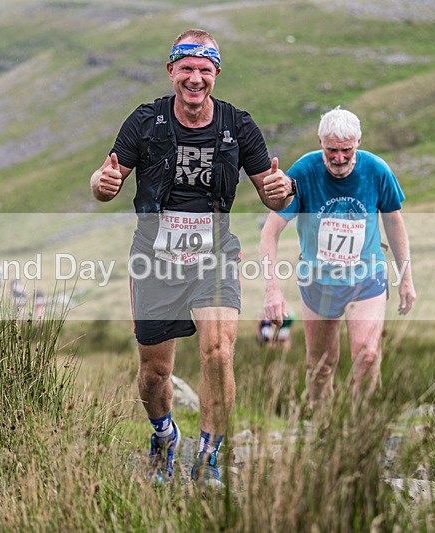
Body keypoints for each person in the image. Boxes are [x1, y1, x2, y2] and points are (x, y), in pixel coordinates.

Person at [90, 29, 294, 486]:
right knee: (154, 372)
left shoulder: (238, 126)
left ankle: (208, 457)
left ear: (216, 74)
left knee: (219, 354)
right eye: (187, 69)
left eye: (205, 70)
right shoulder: (145, 121)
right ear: (171, 72)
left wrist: (284, 190)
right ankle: (164, 435)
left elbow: (272, 192)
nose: (195, 79)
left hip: (214, 255)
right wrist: (100, 185)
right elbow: (107, 178)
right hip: (154, 259)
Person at [260, 108, 416, 413]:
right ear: (320, 142)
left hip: (366, 279)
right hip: (319, 281)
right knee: (320, 366)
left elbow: (394, 224)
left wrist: (406, 277)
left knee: (367, 354)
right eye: (332, 150)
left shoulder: (376, 170)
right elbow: (270, 231)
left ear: (358, 141)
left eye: (347, 150)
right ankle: (323, 430)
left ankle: (361, 429)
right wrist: (272, 289)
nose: (340, 158)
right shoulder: (304, 172)